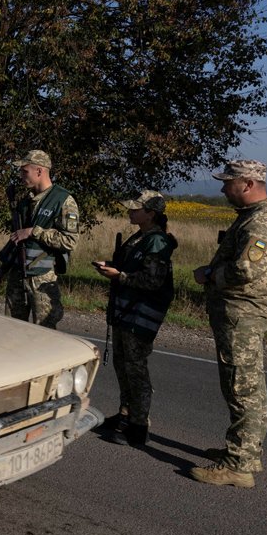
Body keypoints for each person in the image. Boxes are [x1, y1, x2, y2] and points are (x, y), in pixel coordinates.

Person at [189, 159, 267, 489]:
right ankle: (245, 452)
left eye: (228, 182)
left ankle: (238, 466)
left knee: (241, 386)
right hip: (238, 312)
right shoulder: (251, 217)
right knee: (245, 384)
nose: (222, 188)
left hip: (242, 314)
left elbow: (246, 270)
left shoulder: (260, 221)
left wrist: (210, 275)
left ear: (247, 184)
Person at [93, 190, 178, 446]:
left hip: (139, 316)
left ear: (151, 213)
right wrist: (110, 266)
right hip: (125, 313)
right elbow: (131, 268)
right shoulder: (139, 237)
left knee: (136, 370)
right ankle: (125, 414)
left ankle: (139, 427)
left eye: (136, 208)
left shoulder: (157, 241)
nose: (130, 211)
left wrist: (118, 276)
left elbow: (152, 281)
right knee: (122, 365)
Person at [1, 149, 80, 328]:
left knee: (45, 335)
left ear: (39, 171)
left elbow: (70, 241)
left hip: (42, 279)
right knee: (11, 331)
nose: (21, 175)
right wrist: (2, 270)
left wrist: (34, 232)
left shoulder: (62, 200)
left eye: (25, 171)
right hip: (18, 276)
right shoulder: (24, 202)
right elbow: (15, 240)